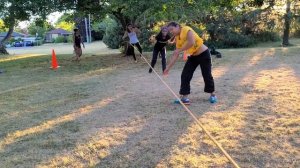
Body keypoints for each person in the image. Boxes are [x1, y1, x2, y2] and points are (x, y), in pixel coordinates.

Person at [163, 22, 217, 104]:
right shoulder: (178, 38)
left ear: (177, 26)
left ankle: (212, 95)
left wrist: (179, 50)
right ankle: (184, 97)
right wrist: (168, 68)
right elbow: (176, 54)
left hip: (204, 54)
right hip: (193, 56)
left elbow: (191, 42)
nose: (171, 32)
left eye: (172, 29)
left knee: (207, 75)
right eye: (170, 30)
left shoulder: (186, 29)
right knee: (185, 74)